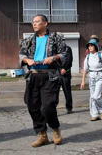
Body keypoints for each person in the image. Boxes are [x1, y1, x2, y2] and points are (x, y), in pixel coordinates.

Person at [19, 14, 67, 147]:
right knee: (32, 105)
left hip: (50, 76)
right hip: (33, 75)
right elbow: (22, 54)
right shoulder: (29, 39)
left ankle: (55, 129)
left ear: (45, 23)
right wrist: (27, 60)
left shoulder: (55, 37)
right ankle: (42, 135)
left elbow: (65, 53)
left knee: (47, 106)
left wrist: (53, 58)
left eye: (37, 22)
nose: (34, 24)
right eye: (33, 22)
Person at [81, 39, 102, 121]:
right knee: (92, 97)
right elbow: (85, 69)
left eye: (91, 45)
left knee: (96, 96)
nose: (90, 47)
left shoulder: (101, 55)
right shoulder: (88, 57)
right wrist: (83, 81)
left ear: (96, 46)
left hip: (100, 76)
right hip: (91, 76)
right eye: (89, 46)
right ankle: (94, 114)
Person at [56, 32, 73, 114]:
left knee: (67, 91)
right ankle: (53, 108)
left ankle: (69, 107)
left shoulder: (68, 49)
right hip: (56, 73)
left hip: (66, 73)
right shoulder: (53, 50)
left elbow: (70, 61)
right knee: (54, 92)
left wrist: (65, 69)